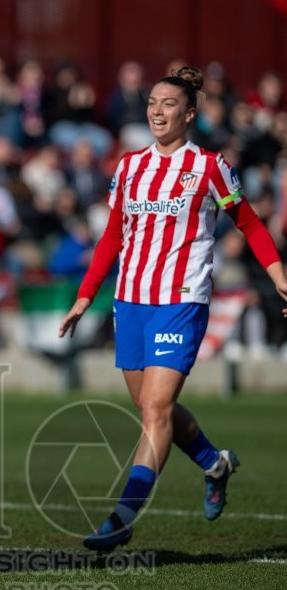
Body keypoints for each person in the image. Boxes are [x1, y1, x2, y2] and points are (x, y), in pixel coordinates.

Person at [58, 66, 287, 551]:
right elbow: (114, 235)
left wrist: (278, 274)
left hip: (182, 299)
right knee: (150, 408)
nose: (157, 111)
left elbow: (249, 223)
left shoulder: (209, 167)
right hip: (130, 301)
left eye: (168, 104)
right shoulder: (128, 166)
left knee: (156, 411)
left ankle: (120, 518)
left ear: (189, 113)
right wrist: (85, 295)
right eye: (152, 103)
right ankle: (214, 462)